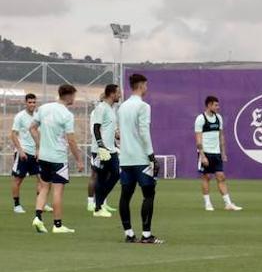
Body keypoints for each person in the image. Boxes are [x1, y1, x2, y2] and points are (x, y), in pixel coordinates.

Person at [29, 84, 83, 234]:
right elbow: (71, 140)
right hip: (58, 158)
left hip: (44, 157)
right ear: (70, 95)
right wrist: (79, 159)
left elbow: (32, 128)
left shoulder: (44, 108)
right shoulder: (67, 115)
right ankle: (57, 225)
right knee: (58, 191)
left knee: (45, 187)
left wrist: (39, 146)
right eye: (74, 95)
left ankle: (38, 217)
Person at [117, 73, 162, 243]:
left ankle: (129, 233)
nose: (147, 88)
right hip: (140, 158)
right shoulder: (143, 106)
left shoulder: (122, 107)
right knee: (149, 194)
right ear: (142, 85)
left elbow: (120, 133)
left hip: (125, 159)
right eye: (146, 85)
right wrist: (151, 156)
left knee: (125, 196)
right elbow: (144, 132)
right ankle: (146, 234)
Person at [195, 95, 241, 212]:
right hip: (205, 153)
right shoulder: (200, 119)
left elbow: (221, 136)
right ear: (209, 105)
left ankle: (228, 204)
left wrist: (223, 152)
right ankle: (207, 203)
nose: (218, 107)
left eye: (218, 105)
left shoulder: (219, 118)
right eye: (216, 105)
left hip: (216, 153)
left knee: (221, 176)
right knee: (207, 177)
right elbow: (198, 139)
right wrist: (202, 155)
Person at [88, 84, 121, 217]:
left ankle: (99, 202)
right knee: (101, 177)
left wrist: (116, 136)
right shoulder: (101, 108)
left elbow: (109, 130)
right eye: (118, 93)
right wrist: (101, 146)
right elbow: (96, 128)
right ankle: (98, 207)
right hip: (101, 150)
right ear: (112, 94)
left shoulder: (111, 109)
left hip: (111, 150)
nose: (120, 95)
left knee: (116, 174)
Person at [11, 92, 39, 214]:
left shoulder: (38, 116)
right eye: (30, 102)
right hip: (23, 153)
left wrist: (39, 149)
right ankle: (16, 205)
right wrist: (21, 151)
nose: (32, 104)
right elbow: (13, 135)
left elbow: (39, 134)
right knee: (18, 180)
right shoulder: (20, 116)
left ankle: (40, 203)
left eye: (34, 102)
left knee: (43, 180)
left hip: (36, 154)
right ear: (25, 103)